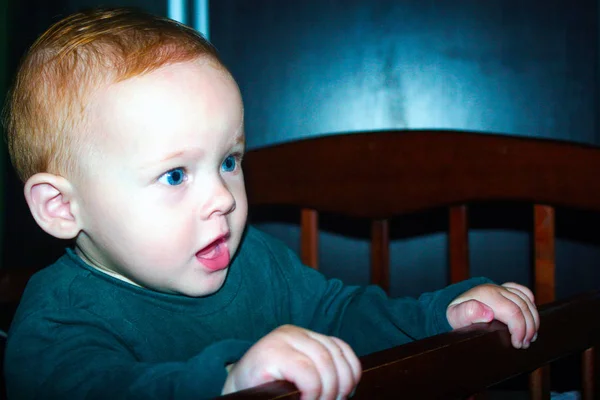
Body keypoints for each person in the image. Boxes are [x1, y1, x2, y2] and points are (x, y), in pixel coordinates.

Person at [3, 7, 539, 400]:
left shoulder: (257, 259)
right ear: (61, 207)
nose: (222, 198)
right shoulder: (59, 319)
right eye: (174, 175)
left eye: (230, 161)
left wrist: (440, 315)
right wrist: (229, 379)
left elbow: (342, 314)